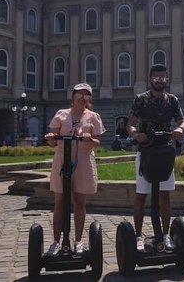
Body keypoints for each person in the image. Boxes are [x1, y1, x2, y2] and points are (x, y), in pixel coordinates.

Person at [126, 64, 184, 252]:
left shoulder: (172, 101)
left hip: (165, 151)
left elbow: (182, 121)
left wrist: (179, 129)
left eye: (162, 78)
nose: (159, 81)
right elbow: (131, 124)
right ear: (150, 79)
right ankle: (137, 236)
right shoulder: (141, 100)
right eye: (156, 78)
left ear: (167, 79)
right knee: (141, 195)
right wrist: (136, 135)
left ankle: (166, 235)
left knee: (165, 195)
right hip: (146, 151)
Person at [44, 83, 104, 257]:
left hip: (83, 158)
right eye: (79, 94)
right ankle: (56, 241)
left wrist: (90, 139)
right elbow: (53, 139)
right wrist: (50, 139)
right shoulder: (61, 114)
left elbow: (98, 142)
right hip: (63, 157)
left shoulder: (93, 117)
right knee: (60, 202)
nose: (82, 97)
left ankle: (78, 241)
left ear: (89, 98)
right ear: (73, 96)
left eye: (86, 94)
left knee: (79, 201)